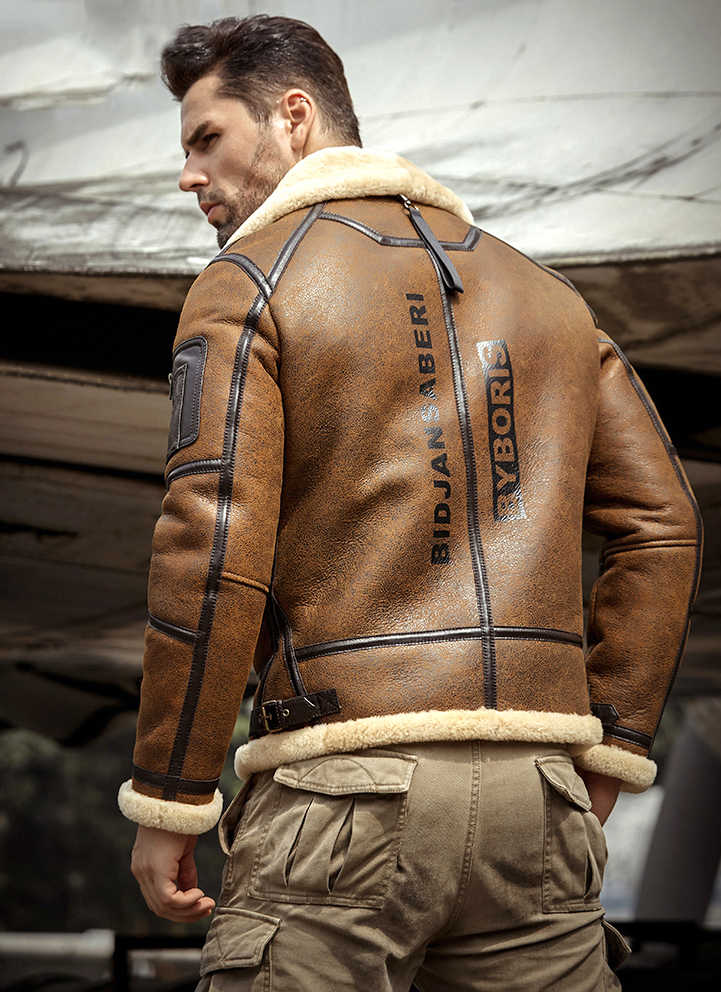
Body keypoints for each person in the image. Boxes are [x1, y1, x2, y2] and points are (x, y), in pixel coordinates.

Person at [118, 14, 702, 991]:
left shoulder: (247, 283)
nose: (189, 175)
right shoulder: (548, 296)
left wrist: (170, 793)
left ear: (293, 116)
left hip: (340, 796)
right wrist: (611, 745)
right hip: (539, 805)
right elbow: (662, 523)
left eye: (206, 138)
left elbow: (211, 547)